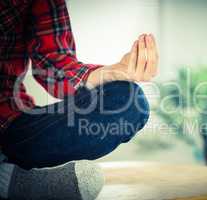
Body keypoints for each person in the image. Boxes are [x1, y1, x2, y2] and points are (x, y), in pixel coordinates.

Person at [0, 0, 158, 199]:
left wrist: (111, 72)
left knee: (129, 101)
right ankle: (10, 181)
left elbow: (54, 63)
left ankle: (9, 170)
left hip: (11, 126)